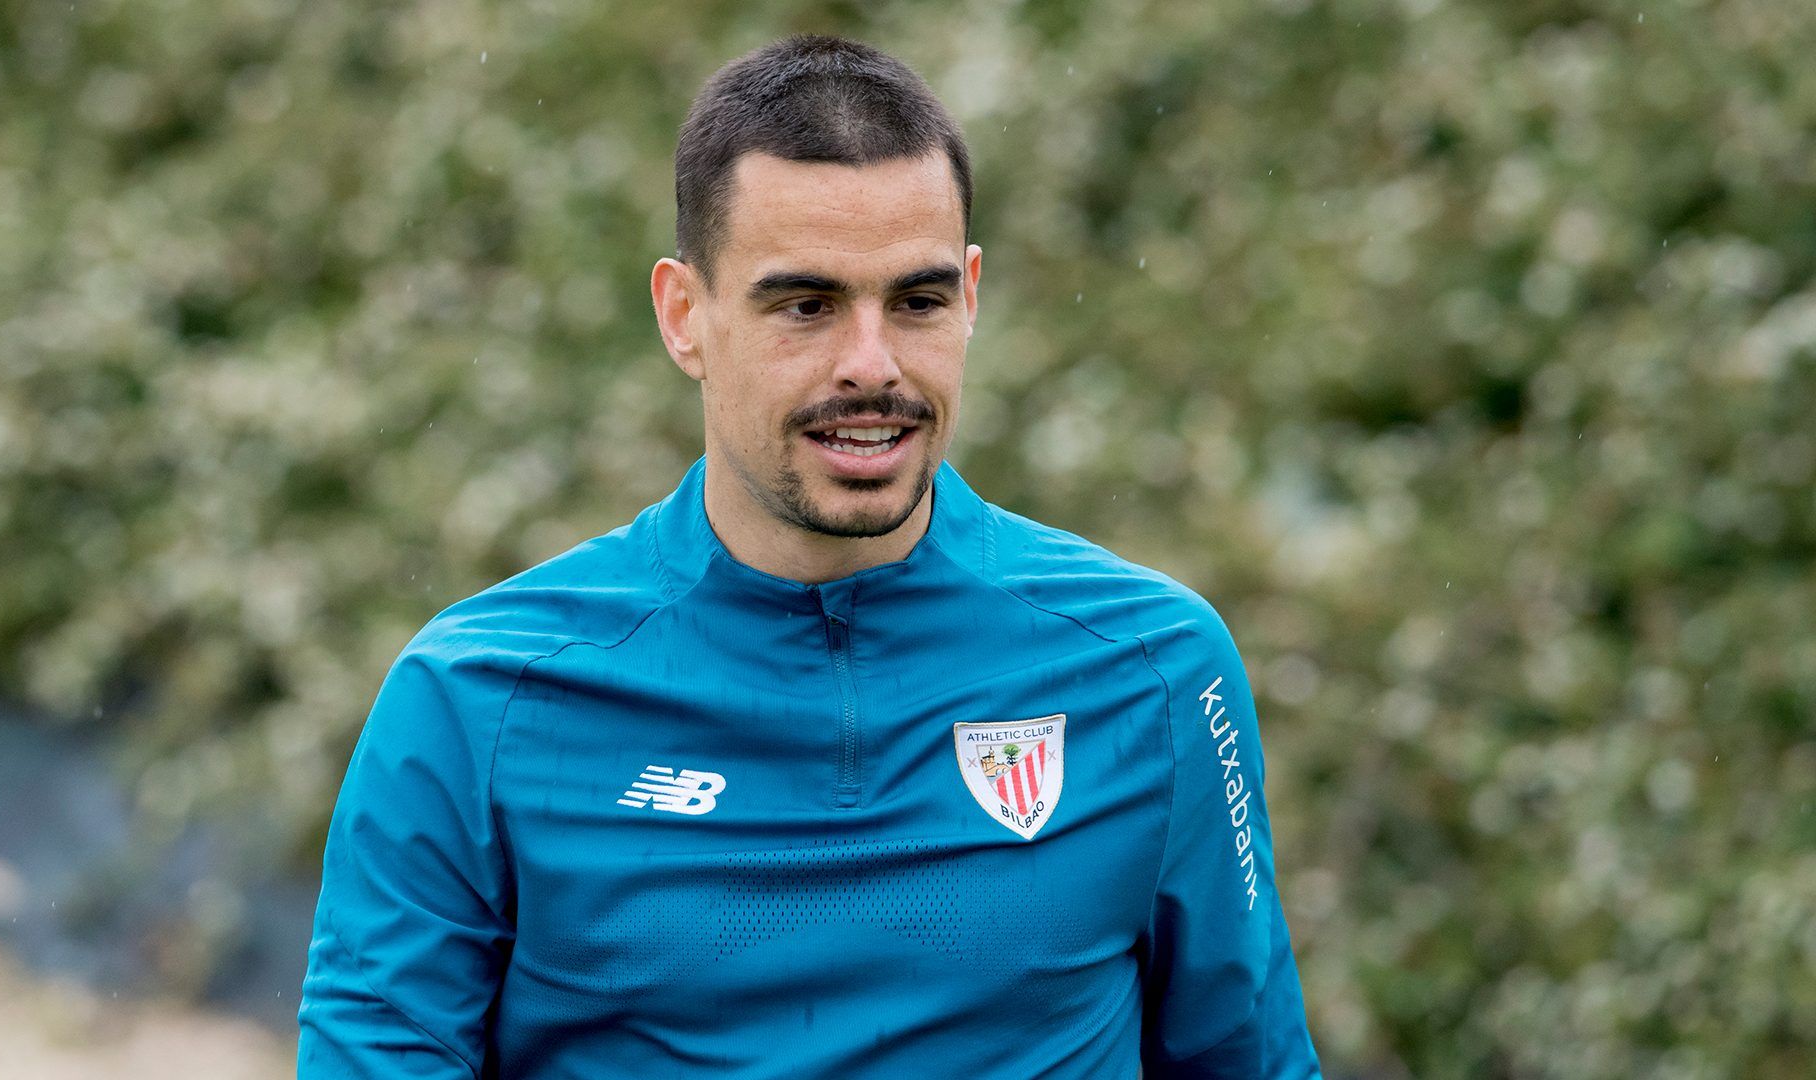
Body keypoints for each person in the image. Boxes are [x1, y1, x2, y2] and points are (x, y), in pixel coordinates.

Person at [298, 34, 1321, 1078]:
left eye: (917, 302)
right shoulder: (477, 698)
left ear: (971, 298)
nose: (871, 366)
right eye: (806, 306)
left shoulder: (1157, 671)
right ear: (684, 317)